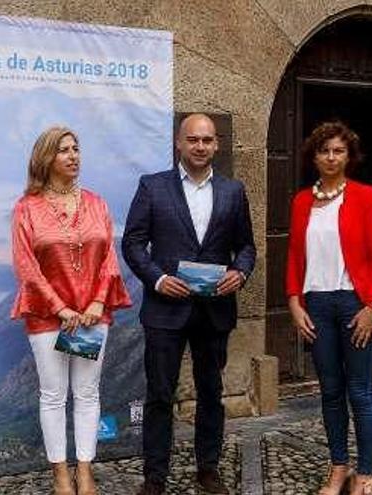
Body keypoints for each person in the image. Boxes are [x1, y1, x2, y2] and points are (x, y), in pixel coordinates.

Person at [122, 113, 256, 495]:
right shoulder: (152, 187)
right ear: (178, 143)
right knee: (160, 394)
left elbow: (245, 246)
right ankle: (155, 477)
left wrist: (240, 273)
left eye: (207, 140)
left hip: (214, 309)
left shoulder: (234, 191)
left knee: (211, 392)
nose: (200, 147)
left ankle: (208, 469)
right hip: (165, 309)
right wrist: (159, 279)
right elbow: (132, 243)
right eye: (193, 140)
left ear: (216, 145)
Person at [10, 126, 132, 495]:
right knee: (52, 394)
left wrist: (97, 301)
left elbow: (109, 257)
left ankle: (85, 471)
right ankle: (60, 475)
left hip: (94, 315)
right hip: (48, 316)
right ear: (46, 158)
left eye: (76, 148)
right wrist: (60, 308)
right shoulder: (26, 209)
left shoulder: (97, 203)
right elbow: (26, 266)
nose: (73, 155)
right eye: (63, 150)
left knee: (88, 391)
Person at [286, 121, 372, 495]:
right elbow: (295, 255)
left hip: (353, 303)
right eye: (324, 150)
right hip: (317, 304)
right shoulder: (301, 201)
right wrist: (294, 302)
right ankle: (338, 467)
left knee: (360, 391)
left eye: (338, 151)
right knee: (329, 391)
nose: (331, 157)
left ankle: (365, 471)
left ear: (349, 156)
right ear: (314, 156)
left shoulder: (365, 197)